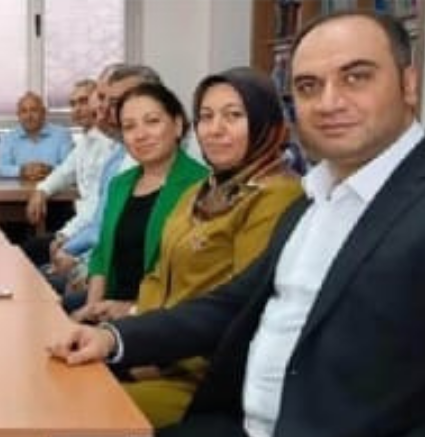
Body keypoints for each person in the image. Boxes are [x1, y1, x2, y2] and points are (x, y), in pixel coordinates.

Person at [47, 11, 425, 436]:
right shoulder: (315, 199)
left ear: (409, 84)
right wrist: (114, 338)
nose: (328, 102)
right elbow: (230, 305)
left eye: (356, 77)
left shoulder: (287, 195)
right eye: (308, 86)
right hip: (236, 417)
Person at [117, 67, 304, 428]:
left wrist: (152, 355)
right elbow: (157, 274)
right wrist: (138, 339)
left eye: (233, 115)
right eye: (206, 116)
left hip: (205, 378)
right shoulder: (202, 190)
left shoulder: (277, 196)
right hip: (157, 352)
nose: (215, 129)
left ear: (265, 121)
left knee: (83, 412)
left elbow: (239, 310)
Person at [70, 82, 209, 323]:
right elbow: (102, 253)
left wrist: (132, 309)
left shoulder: (201, 186)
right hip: (109, 310)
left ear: (177, 125)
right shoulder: (120, 184)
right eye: (129, 126)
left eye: (152, 121)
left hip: (162, 318)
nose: (141, 135)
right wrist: (92, 310)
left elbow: (195, 280)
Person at [23, 79, 116, 266]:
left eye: (83, 101)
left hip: (97, 234)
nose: (77, 109)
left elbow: (97, 206)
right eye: (73, 104)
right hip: (84, 227)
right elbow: (64, 172)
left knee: (27, 253)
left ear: (98, 103)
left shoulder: (110, 144)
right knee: (26, 248)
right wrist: (41, 191)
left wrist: (65, 235)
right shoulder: (86, 141)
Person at [0, 92, 73, 181]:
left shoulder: (62, 135)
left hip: (56, 188)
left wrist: (50, 170)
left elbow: (71, 167)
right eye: (24, 111)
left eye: (34, 110)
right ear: (18, 115)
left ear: (43, 112)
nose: (29, 116)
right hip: (18, 189)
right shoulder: (8, 138)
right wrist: (21, 171)